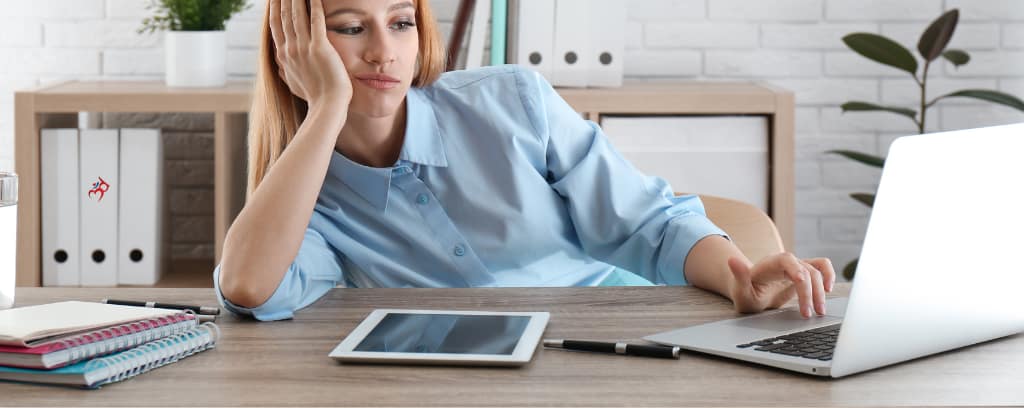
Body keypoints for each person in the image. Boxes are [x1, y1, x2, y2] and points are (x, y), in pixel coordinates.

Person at [215, 0, 836, 322]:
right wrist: (326, 103)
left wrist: (737, 279)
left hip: (611, 344)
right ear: (294, 48)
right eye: (350, 28)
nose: (384, 52)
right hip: (453, 381)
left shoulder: (512, 102)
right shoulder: (306, 199)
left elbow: (650, 223)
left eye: (401, 23)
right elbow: (250, 289)